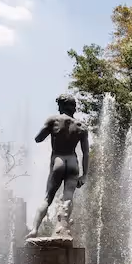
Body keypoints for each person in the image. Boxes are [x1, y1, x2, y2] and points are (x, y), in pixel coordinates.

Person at [27, 94, 90, 238]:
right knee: (68, 197)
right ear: (73, 107)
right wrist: (85, 174)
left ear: (61, 106)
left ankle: (34, 229)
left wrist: (50, 130)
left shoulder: (53, 120)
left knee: (48, 198)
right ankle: (63, 228)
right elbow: (86, 153)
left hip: (58, 160)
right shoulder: (81, 126)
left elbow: (38, 138)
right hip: (73, 162)